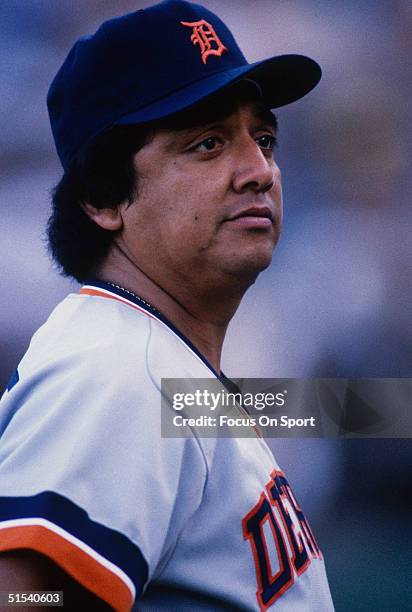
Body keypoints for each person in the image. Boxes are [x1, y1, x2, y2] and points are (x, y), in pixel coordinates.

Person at [0, 1, 334, 610]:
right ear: (104, 198)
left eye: (264, 139)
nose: (259, 170)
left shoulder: (153, 361)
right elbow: (22, 602)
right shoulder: (115, 370)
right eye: (208, 143)